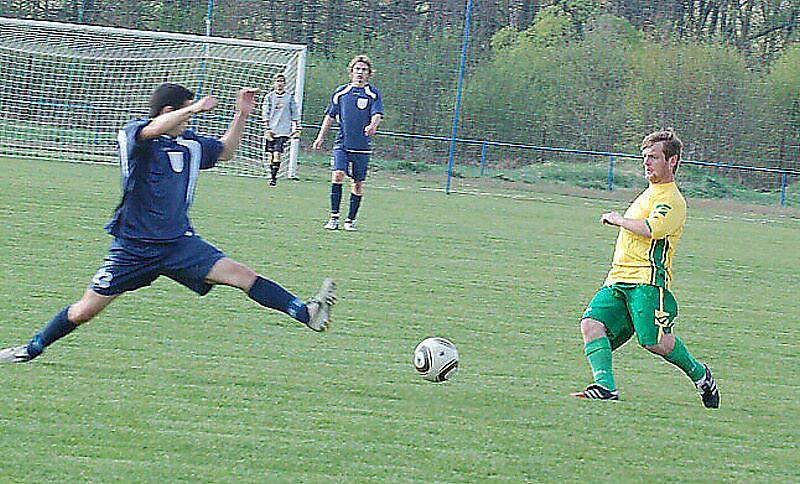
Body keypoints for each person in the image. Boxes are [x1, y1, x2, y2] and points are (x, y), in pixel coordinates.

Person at [0, 82, 336, 364]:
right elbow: (150, 130)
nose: (190, 117)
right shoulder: (136, 134)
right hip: (133, 247)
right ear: (168, 111)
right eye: (184, 110)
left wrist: (241, 116)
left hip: (179, 244)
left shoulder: (189, 144)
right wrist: (193, 109)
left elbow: (225, 152)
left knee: (242, 275)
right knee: (85, 310)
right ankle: (31, 349)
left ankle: (306, 313)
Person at [571, 129, 719, 408]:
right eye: (644, 157)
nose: (646, 163)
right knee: (591, 325)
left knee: (653, 341)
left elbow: (653, 229)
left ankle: (701, 376)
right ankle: (605, 387)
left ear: (671, 161)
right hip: (618, 279)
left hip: (647, 282)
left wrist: (618, 219)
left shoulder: (671, 200)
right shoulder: (648, 194)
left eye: (653, 157)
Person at [312, 54, 383, 232]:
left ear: (369, 74)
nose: (360, 72)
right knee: (337, 175)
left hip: (362, 147)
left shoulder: (372, 94)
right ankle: (334, 217)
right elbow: (329, 115)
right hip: (342, 143)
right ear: (351, 72)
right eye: (357, 69)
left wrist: (373, 125)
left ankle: (350, 220)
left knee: (357, 184)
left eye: (364, 70)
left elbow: (377, 113)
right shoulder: (341, 92)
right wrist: (320, 137)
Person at [262, 73, 301, 186]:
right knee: (271, 155)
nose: (280, 84)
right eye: (277, 81)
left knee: (277, 153)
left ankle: (273, 179)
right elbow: (265, 113)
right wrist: (267, 128)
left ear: (285, 84)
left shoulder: (289, 97)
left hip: (283, 130)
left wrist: (297, 127)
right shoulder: (269, 97)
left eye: (282, 81)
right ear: (274, 83)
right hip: (272, 130)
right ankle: (272, 175)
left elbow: (295, 113)